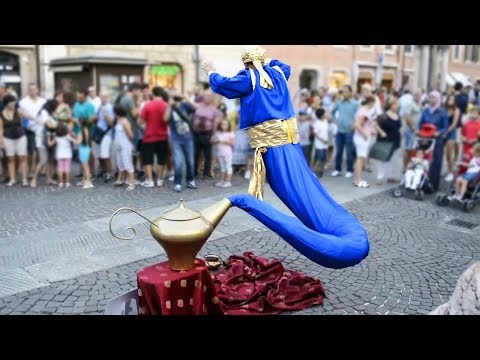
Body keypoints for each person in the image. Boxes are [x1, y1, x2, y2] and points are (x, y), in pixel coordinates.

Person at [203, 46, 369, 269]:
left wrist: (210, 71)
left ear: (247, 65)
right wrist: (267, 61)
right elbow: (285, 67)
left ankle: (246, 202)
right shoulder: (279, 74)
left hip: (276, 148)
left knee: (290, 187)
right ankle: (324, 222)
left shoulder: (249, 77)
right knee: (300, 186)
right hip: (290, 145)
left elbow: (224, 85)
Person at [164, 94, 198, 193]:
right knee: (178, 163)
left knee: (190, 162)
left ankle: (190, 180)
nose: (177, 101)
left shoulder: (185, 105)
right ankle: (178, 183)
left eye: (178, 98)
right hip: (176, 140)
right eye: (175, 98)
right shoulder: (170, 108)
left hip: (188, 138)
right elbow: (165, 119)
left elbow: (196, 108)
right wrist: (169, 106)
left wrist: (187, 98)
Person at [112, 104, 136, 192]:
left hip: (125, 146)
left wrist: (125, 140)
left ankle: (131, 183)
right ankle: (119, 180)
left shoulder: (125, 122)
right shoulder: (118, 120)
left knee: (128, 164)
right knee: (120, 163)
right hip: (119, 145)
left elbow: (131, 135)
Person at [211, 118, 235, 188]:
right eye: (222, 124)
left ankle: (228, 182)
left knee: (228, 167)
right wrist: (215, 140)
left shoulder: (230, 133)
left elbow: (232, 143)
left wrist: (223, 141)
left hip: (227, 153)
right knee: (222, 167)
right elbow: (212, 142)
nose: (224, 126)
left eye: (226, 125)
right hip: (220, 153)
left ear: (228, 125)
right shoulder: (218, 133)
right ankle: (222, 180)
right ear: (220, 125)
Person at [50, 122, 75, 188]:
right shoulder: (67, 136)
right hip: (67, 155)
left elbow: (51, 144)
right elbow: (75, 141)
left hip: (60, 155)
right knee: (67, 169)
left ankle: (60, 182)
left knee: (60, 169)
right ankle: (67, 182)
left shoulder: (56, 137)